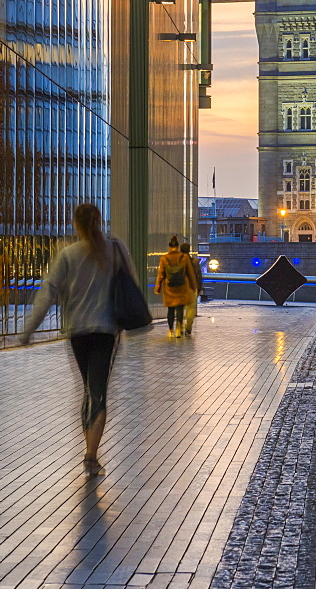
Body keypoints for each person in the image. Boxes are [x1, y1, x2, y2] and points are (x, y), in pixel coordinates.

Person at [19, 203, 138, 477]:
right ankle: (91, 456)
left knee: (87, 388)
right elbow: (130, 283)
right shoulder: (115, 250)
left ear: (76, 224)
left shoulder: (68, 255)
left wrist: (29, 330)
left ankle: (90, 452)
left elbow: (48, 293)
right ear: (99, 220)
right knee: (98, 391)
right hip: (106, 331)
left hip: (77, 332)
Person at [154, 236, 196, 338]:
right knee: (180, 308)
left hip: (169, 288)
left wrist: (158, 288)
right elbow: (190, 273)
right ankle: (178, 329)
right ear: (177, 247)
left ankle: (170, 331)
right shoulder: (184, 257)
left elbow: (161, 274)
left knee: (171, 309)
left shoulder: (164, 258)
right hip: (182, 286)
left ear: (169, 247)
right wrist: (193, 286)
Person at [180, 242, 203, 335]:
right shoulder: (194, 262)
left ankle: (180, 327)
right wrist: (198, 288)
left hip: (180, 288)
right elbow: (199, 277)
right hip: (192, 288)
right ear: (189, 250)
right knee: (191, 308)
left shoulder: (178, 262)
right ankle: (188, 327)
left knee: (180, 308)